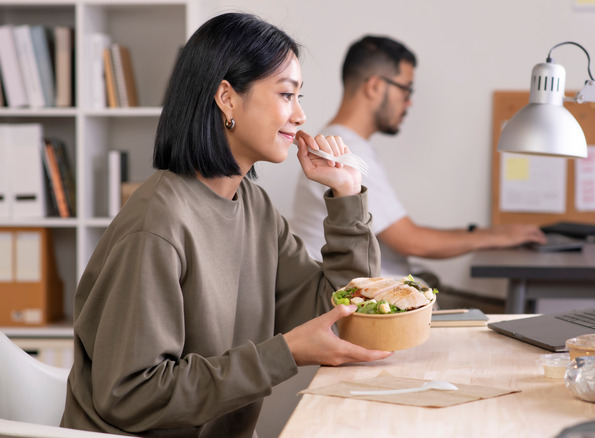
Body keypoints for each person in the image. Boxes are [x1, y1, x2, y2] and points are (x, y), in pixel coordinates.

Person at [61, 13, 391, 437]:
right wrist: (284, 352)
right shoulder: (156, 226)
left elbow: (343, 311)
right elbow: (130, 395)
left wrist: (347, 195)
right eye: (287, 95)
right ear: (227, 97)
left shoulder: (252, 205)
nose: (301, 115)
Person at [291, 35, 547, 300]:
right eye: (406, 89)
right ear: (376, 87)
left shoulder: (348, 145)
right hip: (372, 301)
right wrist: (496, 236)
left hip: (388, 288)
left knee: (509, 310)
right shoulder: (344, 151)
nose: (409, 102)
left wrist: (485, 233)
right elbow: (411, 240)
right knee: (510, 314)